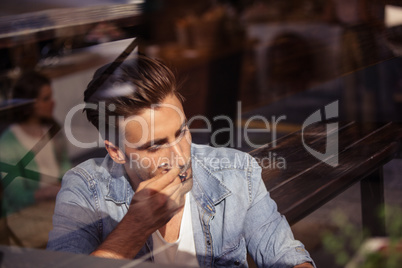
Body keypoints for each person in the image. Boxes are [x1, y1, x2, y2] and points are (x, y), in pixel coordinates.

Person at [47, 55, 315, 267]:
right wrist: (135, 228)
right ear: (116, 152)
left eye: (182, 132)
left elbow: (285, 256)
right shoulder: (85, 190)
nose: (180, 157)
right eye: (155, 146)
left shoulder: (237, 172)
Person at [0, 71, 70, 216]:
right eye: (46, 99)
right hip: (26, 214)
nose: (53, 102)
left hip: (57, 203)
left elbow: (65, 166)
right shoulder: (7, 143)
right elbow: (17, 197)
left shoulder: (52, 129)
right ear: (29, 104)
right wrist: (48, 192)